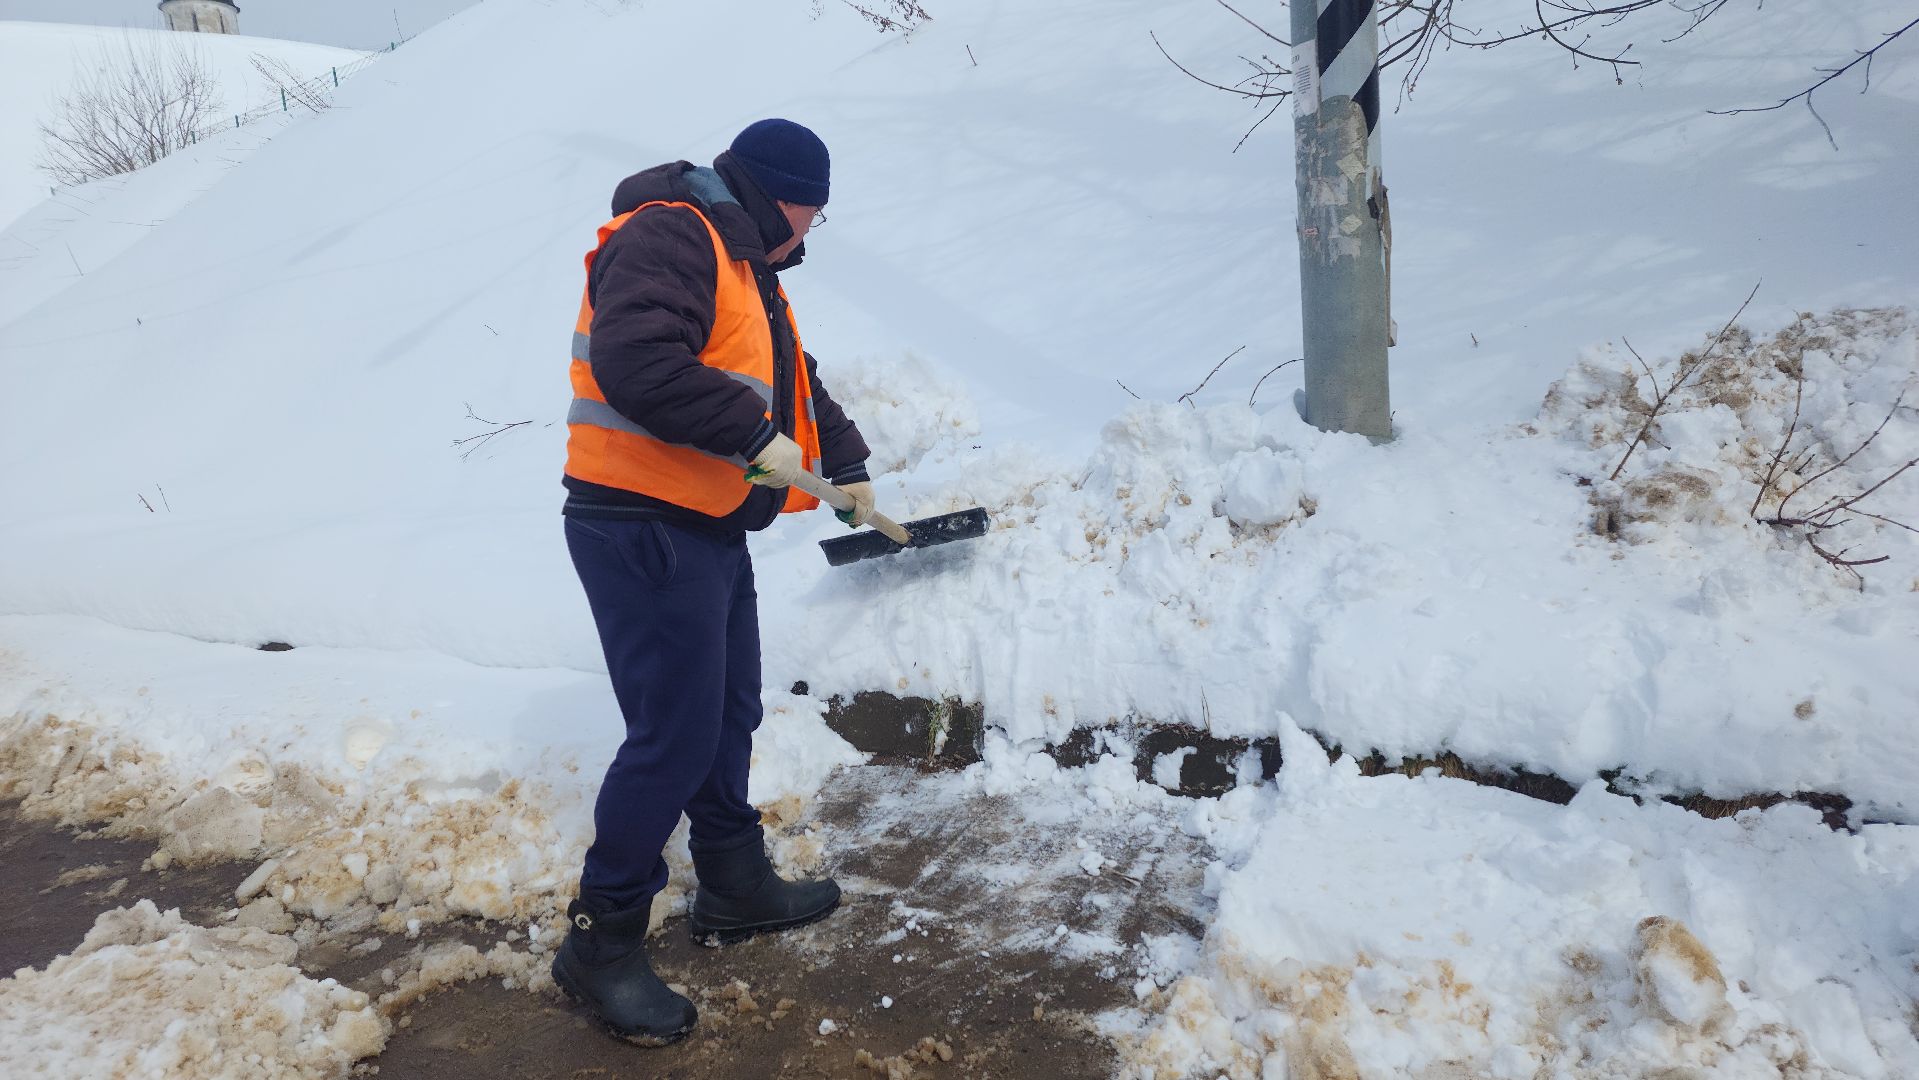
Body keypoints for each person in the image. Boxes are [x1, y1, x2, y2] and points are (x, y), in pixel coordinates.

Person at [551, 118, 875, 1046]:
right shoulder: (671, 232)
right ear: (780, 196)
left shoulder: (742, 261)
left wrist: (841, 457)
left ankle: (733, 883)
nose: (810, 235)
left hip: (702, 520)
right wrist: (747, 432)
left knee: (727, 711)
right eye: (809, 215)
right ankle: (598, 941)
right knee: (673, 736)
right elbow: (636, 358)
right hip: (638, 522)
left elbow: (786, 375)